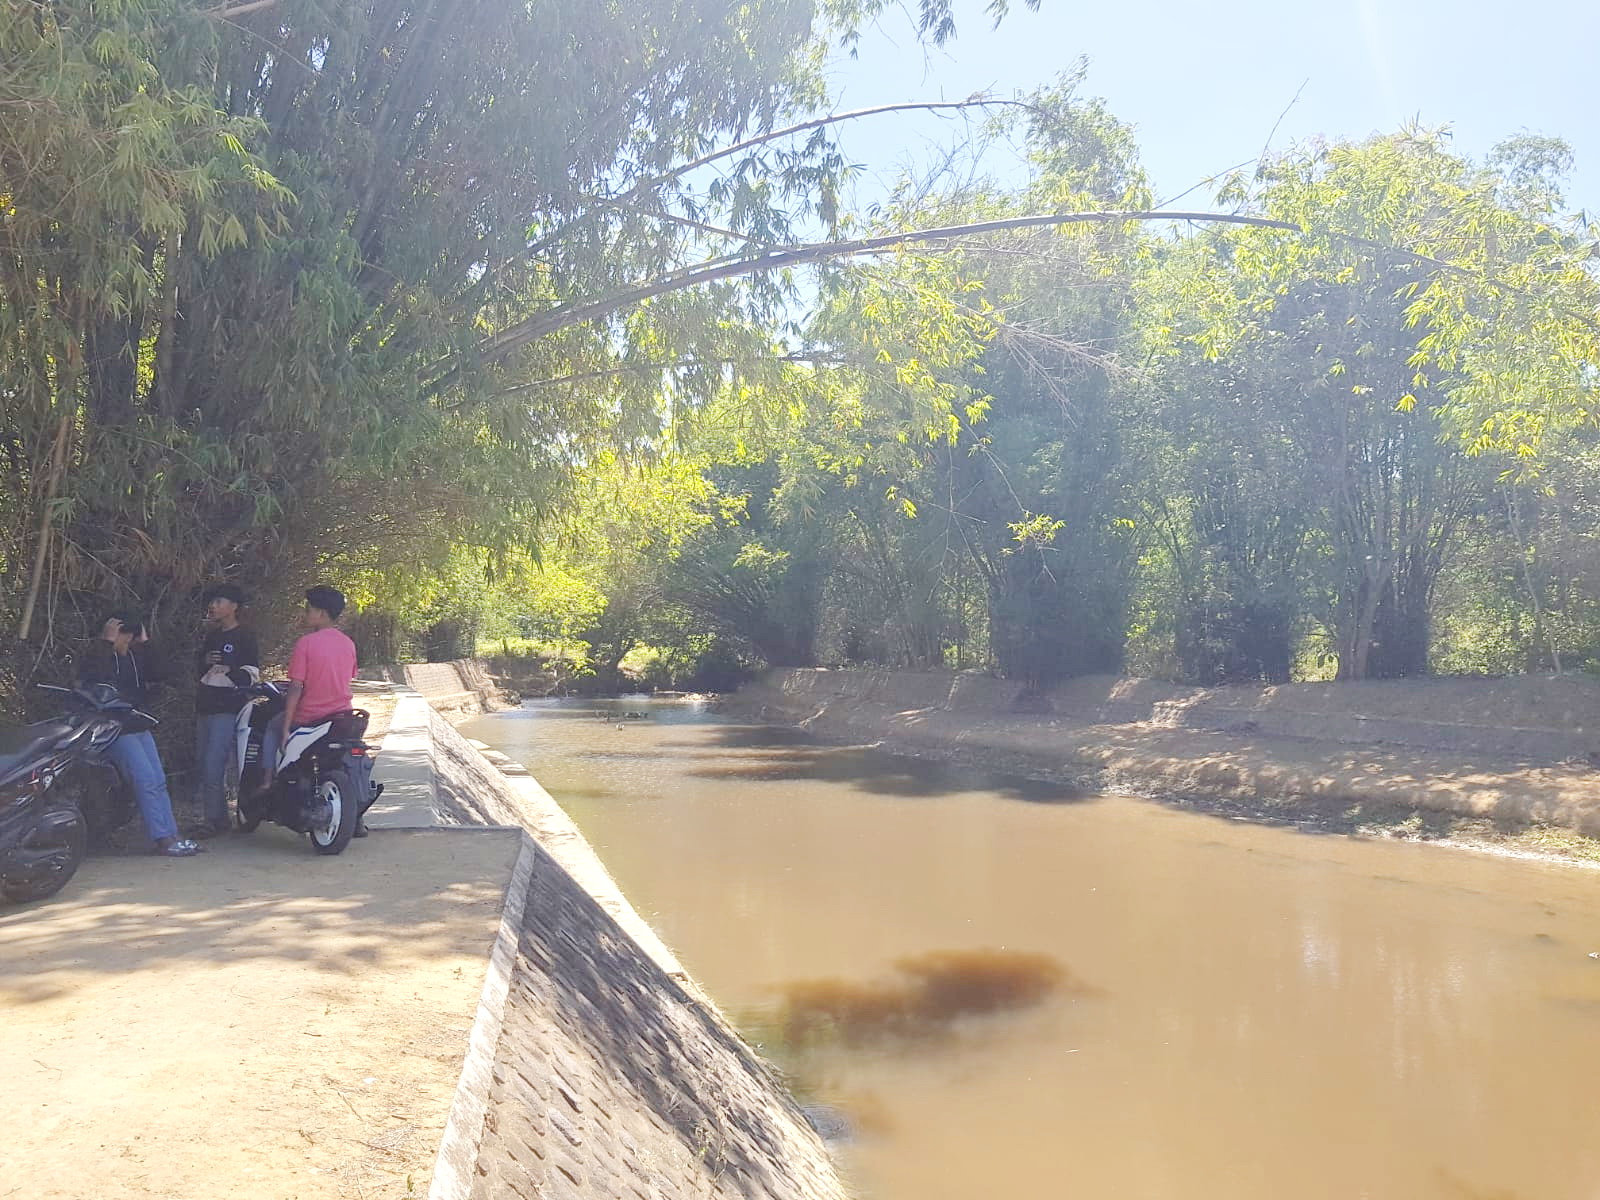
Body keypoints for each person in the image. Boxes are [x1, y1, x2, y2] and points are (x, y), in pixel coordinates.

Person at [78, 614, 204, 857]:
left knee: (157, 779)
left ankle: (172, 834)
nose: (126, 642)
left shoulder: (135, 657)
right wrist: (105, 642)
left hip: (138, 725)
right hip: (114, 728)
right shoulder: (101, 656)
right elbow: (92, 677)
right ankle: (162, 838)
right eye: (124, 636)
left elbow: (160, 673)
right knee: (145, 779)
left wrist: (146, 642)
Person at [194, 584, 260, 835]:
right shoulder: (212, 636)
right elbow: (200, 672)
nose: (213, 606)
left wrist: (230, 671)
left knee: (214, 764)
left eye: (219, 601)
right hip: (206, 705)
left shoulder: (245, 636)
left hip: (228, 708)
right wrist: (205, 662)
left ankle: (215, 820)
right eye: (212, 601)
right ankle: (218, 818)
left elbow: (252, 675)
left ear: (234, 607)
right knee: (203, 764)